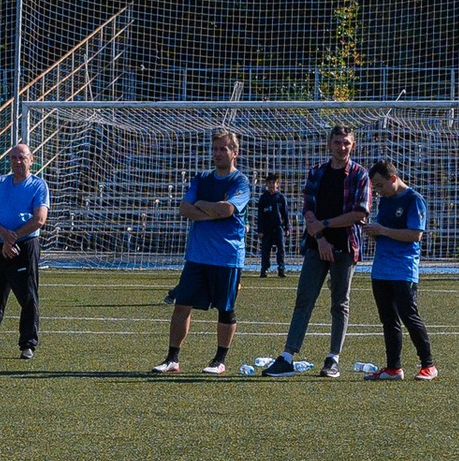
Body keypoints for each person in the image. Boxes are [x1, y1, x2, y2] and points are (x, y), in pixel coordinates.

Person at [261, 126, 368, 377]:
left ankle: (333, 358)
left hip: (345, 247)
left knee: (340, 304)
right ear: (329, 144)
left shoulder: (359, 174)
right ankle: (287, 356)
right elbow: (308, 209)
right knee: (304, 300)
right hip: (316, 246)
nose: (342, 147)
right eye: (337, 142)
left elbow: (359, 213)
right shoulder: (316, 172)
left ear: (353, 145)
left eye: (346, 143)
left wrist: (325, 225)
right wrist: (320, 239)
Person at [151, 129, 250, 376]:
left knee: (225, 309)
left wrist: (203, 206)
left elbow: (227, 210)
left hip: (227, 257)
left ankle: (219, 360)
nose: (217, 153)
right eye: (214, 149)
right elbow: (185, 208)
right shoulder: (201, 178)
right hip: (197, 255)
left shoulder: (240, 182)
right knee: (182, 305)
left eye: (223, 149)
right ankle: (172, 359)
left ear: (235, 153)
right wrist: (212, 211)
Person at [363, 160, 437, 380]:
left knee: (409, 316)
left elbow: (415, 234)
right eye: (375, 187)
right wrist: (372, 231)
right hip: (380, 269)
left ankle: (428, 365)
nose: (378, 191)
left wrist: (382, 231)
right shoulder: (385, 201)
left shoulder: (413, 199)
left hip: (403, 269)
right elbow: (383, 232)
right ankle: (393, 368)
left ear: (393, 178)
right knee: (388, 320)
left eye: (380, 185)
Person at [0, 139, 49, 357]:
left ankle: (28, 345)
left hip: (25, 247)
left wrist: (12, 238)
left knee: (27, 297)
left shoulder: (38, 185)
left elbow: (39, 219)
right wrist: (4, 235)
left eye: (22, 157)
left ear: (31, 160)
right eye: (14, 157)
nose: (17, 161)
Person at [256, 172, 291, 278]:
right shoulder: (263, 198)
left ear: (277, 184)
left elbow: (285, 214)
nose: (271, 185)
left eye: (273, 183)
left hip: (278, 227)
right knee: (266, 249)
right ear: (267, 184)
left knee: (281, 249)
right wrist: (260, 230)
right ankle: (264, 269)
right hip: (267, 228)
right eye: (269, 183)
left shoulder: (281, 197)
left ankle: (281, 269)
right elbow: (260, 215)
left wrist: (287, 228)